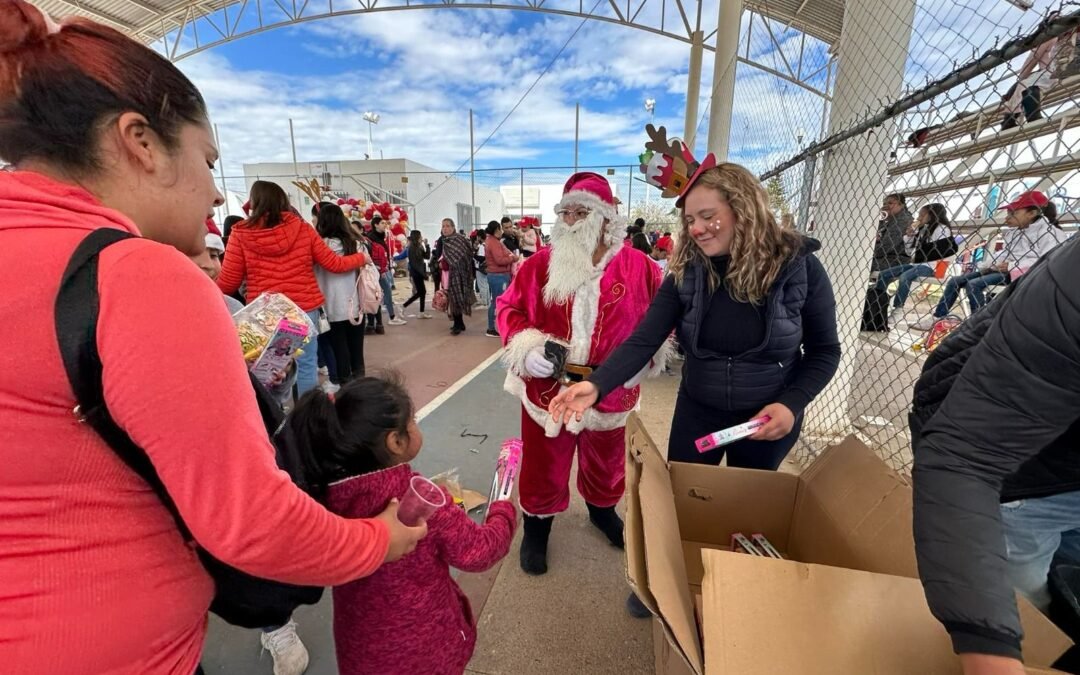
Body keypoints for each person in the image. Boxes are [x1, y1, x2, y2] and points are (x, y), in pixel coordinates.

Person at [0, 4, 427, 673]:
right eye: (206, 158)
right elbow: (251, 520)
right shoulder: (136, 274)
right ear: (140, 141)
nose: (211, 190)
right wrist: (377, 539)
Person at [550, 164, 840, 508]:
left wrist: (792, 404)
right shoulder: (687, 271)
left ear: (743, 210)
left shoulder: (799, 268)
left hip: (766, 417)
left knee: (745, 510)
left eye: (708, 216)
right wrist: (597, 384)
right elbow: (645, 338)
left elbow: (825, 351)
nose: (697, 229)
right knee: (686, 503)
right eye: (690, 220)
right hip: (699, 412)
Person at [910, 235, 1080, 675]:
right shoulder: (1069, 286)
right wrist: (989, 646)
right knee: (1025, 603)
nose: (701, 229)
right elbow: (965, 453)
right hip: (1025, 466)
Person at [496, 172, 668, 578]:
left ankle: (601, 510)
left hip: (611, 391)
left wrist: (649, 357)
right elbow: (508, 309)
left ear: (607, 218)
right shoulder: (538, 266)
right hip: (549, 390)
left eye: (582, 212)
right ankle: (537, 526)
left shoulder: (641, 268)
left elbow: (664, 321)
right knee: (543, 463)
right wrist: (527, 347)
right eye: (565, 212)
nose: (571, 221)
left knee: (607, 462)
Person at [289, 373, 517, 675]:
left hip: (361, 648)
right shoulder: (420, 498)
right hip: (427, 649)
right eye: (413, 421)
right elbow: (478, 552)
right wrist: (502, 509)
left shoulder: (323, 497)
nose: (415, 426)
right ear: (395, 442)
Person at [217, 181, 368, 396]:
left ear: (254, 202)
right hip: (304, 310)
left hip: (265, 315)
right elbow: (333, 263)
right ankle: (306, 420)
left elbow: (228, 283)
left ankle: (274, 417)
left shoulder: (240, 234)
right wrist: (362, 257)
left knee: (268, 369)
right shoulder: (302, 228)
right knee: (307, 366)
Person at [913, 191, 1068, 330]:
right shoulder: (1015, 232)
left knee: (973, 285)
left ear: (1032, 213)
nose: (1007, 217)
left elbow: (1048, 260)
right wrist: (990, 264)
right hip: (1002, 269)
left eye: (1013, 213)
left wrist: (1012, 265)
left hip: (1021, 273)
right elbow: (1005, 252)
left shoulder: (1050, 233)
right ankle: (938, 316)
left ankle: (978, 324)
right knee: (955, 280)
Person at [873, 203, 955, 326]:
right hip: (917, 264)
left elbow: (945, 253)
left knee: (905, 277)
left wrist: (939, 271)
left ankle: (898, 309)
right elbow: (909, 251)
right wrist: (909, 236)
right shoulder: (924, 228)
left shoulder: (942, 229)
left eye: (922, 215)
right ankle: (876, 304)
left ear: (932, 215)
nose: (919, 218)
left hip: (933, 266)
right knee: (884, 274)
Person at [315, 202, 367, 385]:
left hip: (330, 307)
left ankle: (346, 389)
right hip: (356, 304)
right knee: (357, 351)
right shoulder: (356, 244)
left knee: (339, 351)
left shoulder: (318, 246)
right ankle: (361, 386)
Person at [365, 215, 406, 332]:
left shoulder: (381, 237)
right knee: (382, 292)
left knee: (383, 292)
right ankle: (389, 318)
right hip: (376, 271)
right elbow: (372, 256)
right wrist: (378, 269)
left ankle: (379, 320)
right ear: (376, 225)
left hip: (383, 270)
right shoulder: (371, 238)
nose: (385, 225)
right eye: (382, 223)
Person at [439, 218, 476, 335]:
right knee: (452, 298)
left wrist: (448, 262)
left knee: (457, 298)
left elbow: (465, 255)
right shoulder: (445, 241)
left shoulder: (459, 239)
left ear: (453, 227)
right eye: (443, 226)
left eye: (447, 226)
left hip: (460, 273)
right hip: (448, 274)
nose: (445, 228)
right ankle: (459, 323)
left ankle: (458, 325)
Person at [483, 220, 518, 338]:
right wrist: (512, 259)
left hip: (499, 275)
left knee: (498, 302)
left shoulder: (494, 241)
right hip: (498, 276)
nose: (502, 231)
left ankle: (495, 327)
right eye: (501, 229)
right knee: (498, 302)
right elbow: (499, 260)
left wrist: (510, 256)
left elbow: (506, 254)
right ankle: (492, 328)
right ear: (496, 230)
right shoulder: (493, 242)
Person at [872, 193, 913, 272]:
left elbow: (887, 246)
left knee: (863, 262)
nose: (885, 206)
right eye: (884, 203)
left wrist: (870, 251)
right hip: (883, 257)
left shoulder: (903, 220)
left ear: (901, 205)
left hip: (896, 259)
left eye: (890, 203)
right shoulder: (889, 220)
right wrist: (882, 219)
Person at [402, 229, 432, 319]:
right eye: (420, 236)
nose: (421, 237)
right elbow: (414, 264)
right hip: (416, 273)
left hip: (419, 272)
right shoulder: (411, 248)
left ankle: (421, 312)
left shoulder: (419, 246)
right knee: (420, 292)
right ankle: (403, 306)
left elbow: (427, 256)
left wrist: (427, 245)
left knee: (422, 292)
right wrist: (424, 274)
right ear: (417, 237)